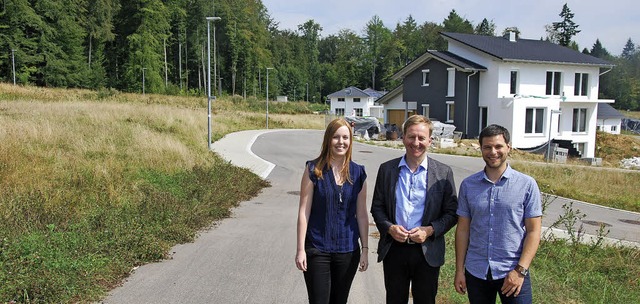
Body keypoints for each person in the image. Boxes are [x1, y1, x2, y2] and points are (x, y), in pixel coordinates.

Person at [371, 114, 458, 304]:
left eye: (421, 138)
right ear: (403, 137)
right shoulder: (387, 170)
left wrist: (430, 230)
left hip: (427, 251)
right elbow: (377, 207)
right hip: (394, 249)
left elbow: (452, 213)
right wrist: (389, 228)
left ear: (430, 140)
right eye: (411, 137)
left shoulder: (443, 173)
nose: (416, 142)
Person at [454, 124, 542, 304]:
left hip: (513, 271)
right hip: (477, 271)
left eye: (498, 146)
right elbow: (463, 230)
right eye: (487, 147)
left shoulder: (526, 184)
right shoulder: (468, 185)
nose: (493, 152)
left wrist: (520, 271)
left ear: (508, 147)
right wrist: (459, 270)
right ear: (481, 149)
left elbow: (534, 231)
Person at [295, 118, 369, 304]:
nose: (341, 142)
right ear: (328, 139)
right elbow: (304, 211)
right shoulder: (313, 170)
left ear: (351, 141)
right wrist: (300, 250)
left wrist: (365, 249)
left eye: (345, 137)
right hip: (317, 248)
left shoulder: (358, 173)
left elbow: (361, 214)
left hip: (348, 250)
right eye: (336, 137)